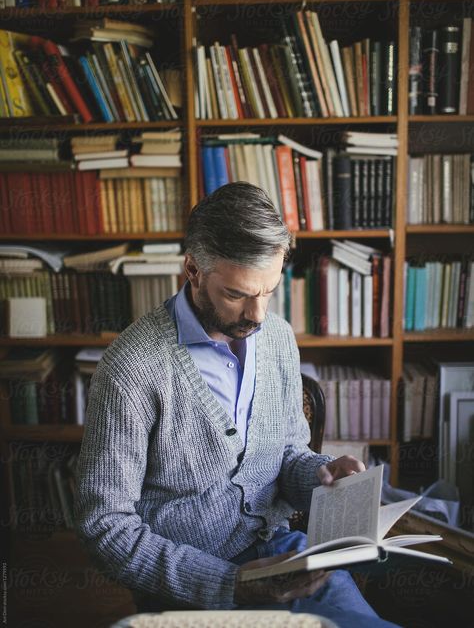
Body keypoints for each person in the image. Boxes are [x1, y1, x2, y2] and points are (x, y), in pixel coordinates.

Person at [74, 182, 400, 628]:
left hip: (285, 557)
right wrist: (228, 582)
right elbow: (105, 526)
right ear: (192, 269)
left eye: (268, 291)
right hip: (188, 585)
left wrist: (322, 477)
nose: (257, 315)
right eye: (237, 294)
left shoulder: (278, 338)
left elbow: (287, 454)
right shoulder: (131, 369)